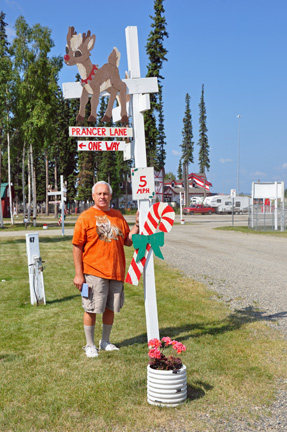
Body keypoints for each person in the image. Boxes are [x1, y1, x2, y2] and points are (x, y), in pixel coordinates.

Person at [72, 181, 139, 358]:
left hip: (116, 271)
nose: (103, 196)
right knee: (92, 308)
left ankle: (105, 341)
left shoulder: (117, 215)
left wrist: (137, 226)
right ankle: (90, 344)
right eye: (99, 194)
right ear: (93, 196)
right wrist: (79, 274)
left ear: (110, 196)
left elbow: (127, 241)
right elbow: (77, 246)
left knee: (110, 308)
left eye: (105, 193)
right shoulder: (85, 217)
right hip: (94, 271)